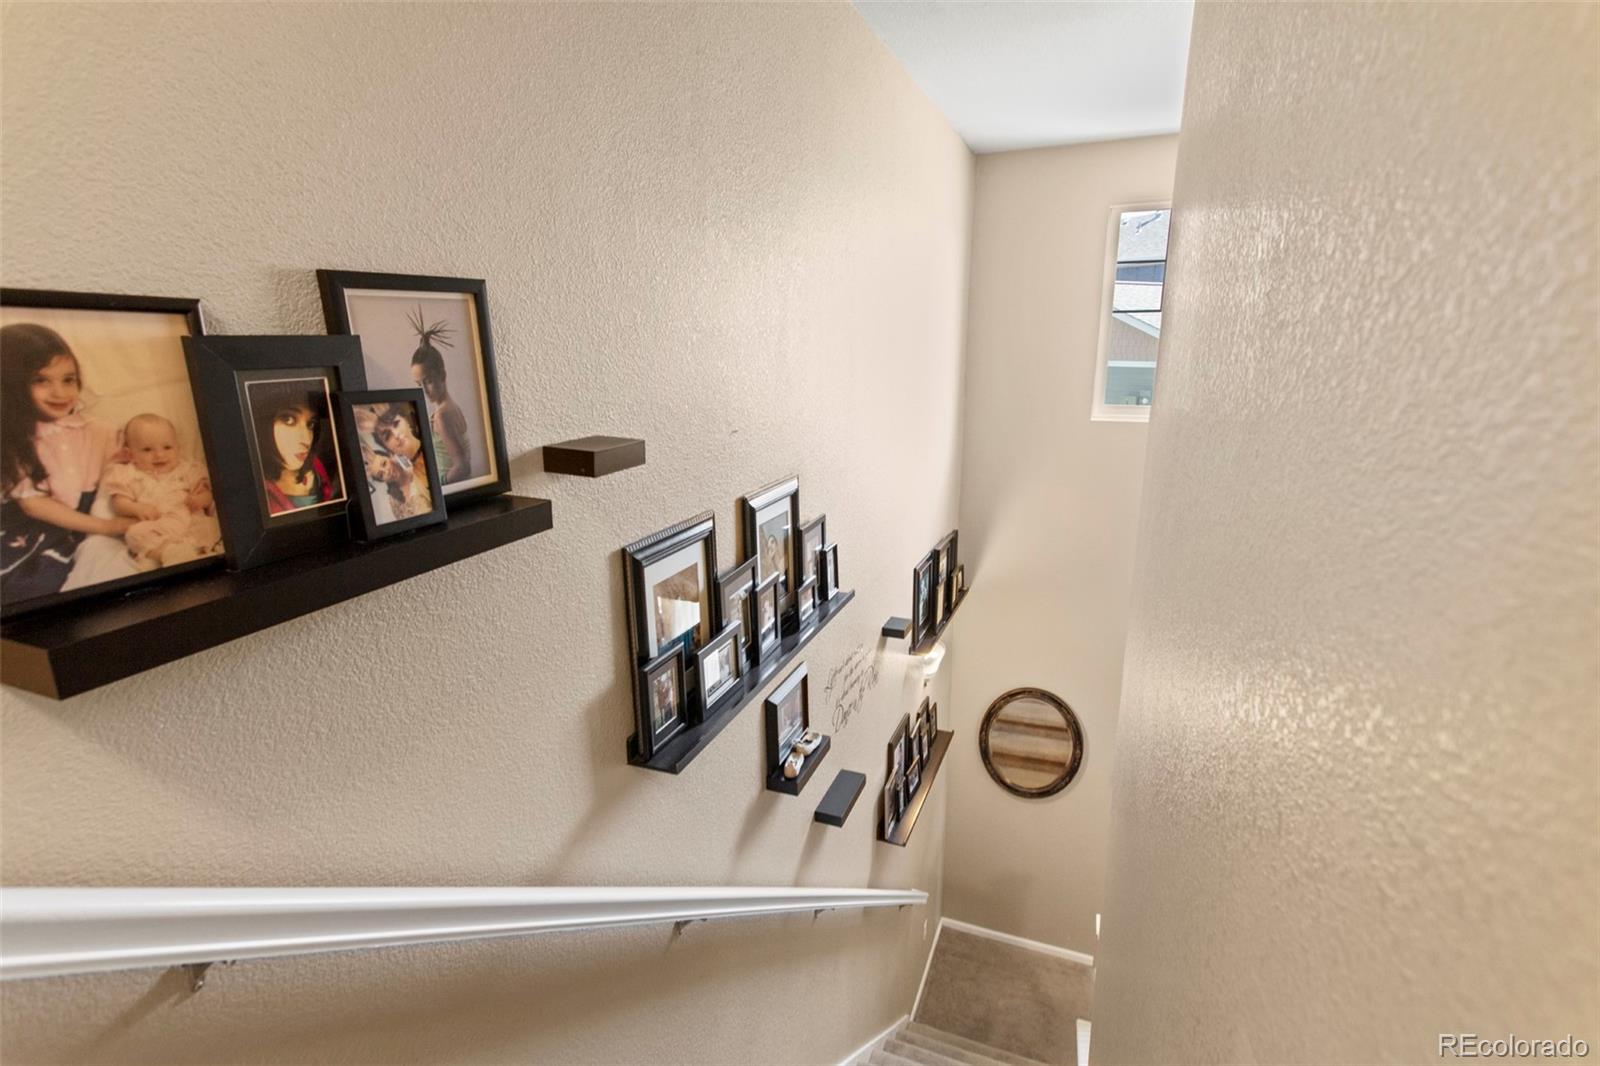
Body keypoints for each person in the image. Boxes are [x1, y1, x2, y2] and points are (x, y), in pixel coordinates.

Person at [0, 324, 132, 602]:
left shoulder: (98, 429)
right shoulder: (13, 438)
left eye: (68, 379)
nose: (60, 392)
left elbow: (124, 469)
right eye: (41, 380)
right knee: (31, 584)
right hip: (29, 520)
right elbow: (32, 504)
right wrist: (107, 527)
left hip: (81, 515)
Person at [101, 414, 220, 569]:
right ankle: (168, 553)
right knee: (134, 534)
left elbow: (208, 495)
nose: (159, 455)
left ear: (178, 448)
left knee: (214, 526)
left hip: (191, 521)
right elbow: (119, 503)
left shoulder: (188, 469)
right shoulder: (128, 474)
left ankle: (196, 552)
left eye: (167, 447)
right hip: (158, 526)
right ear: (131, 454)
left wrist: (200, 500)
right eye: (147, 449)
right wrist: (137, 508)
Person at [252, 380, 339, 515]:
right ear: (262, 424)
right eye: (288, 419)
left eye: (310, 424)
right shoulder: (256, 496)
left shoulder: (313, 463)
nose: (306, 441)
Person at [410, 347, 469, 485]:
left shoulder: (442, 416)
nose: (424, 390)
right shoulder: (453, 407)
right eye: (419, 384)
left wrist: (436, 485)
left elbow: (462, 466)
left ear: (442, 376)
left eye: (428, 381)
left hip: (450, 489)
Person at [372, 404, 434, 517]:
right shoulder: (406, 478)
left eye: (396, 424)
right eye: (387, 436)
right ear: (386, 448)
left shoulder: (435, 446)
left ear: (407, 421)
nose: (396, 435)